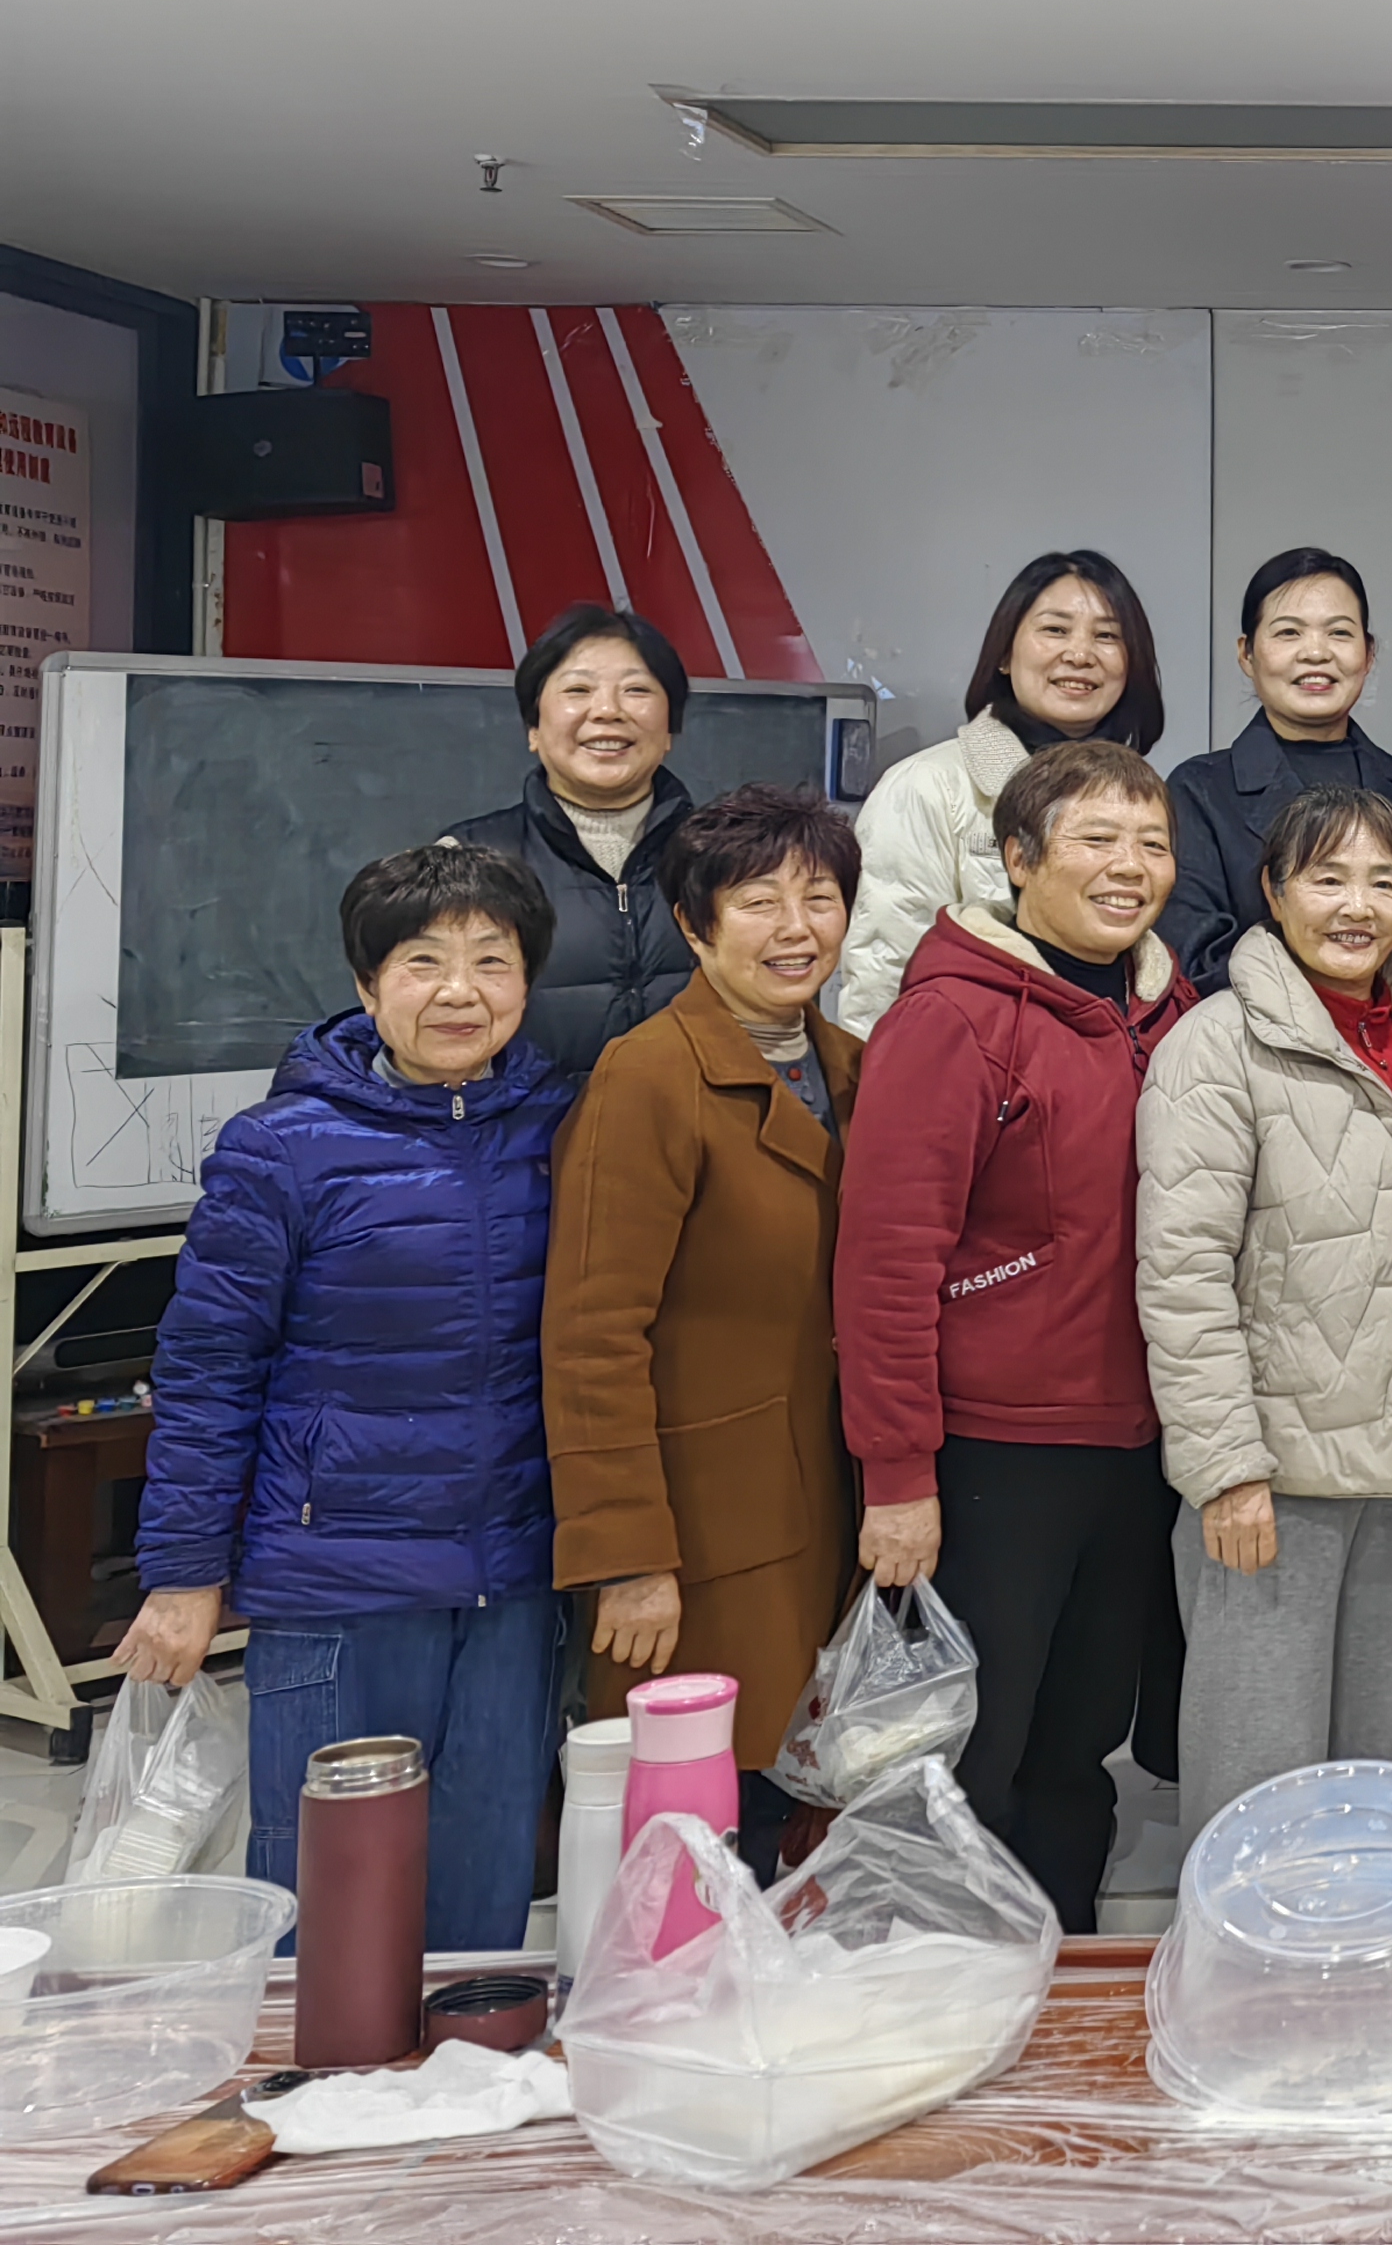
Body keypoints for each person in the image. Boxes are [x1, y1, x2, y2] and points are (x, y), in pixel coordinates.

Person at [121, 841, 573, 1950]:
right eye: (423, 963)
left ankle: (469, 2065)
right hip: (337, 1584)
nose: (459, 991)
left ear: (527, 981)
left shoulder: (567, 1130)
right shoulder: (281, 1150)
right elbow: (208, 1369)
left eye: (491, 961)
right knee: (331, 1919)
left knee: (482, 1905)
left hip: (515, 1583)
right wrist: (184, 1573)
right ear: (369, 987)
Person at [833, 740, 1195, 1931]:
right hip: (992, 1454)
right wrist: (897, 1475)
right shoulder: (951, 1018)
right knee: (964, 1760)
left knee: (1077, 1754)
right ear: (1018, 859)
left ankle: (1061, 1982)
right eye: (1096, 840)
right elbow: (886, 1262)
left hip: (1135, 1451)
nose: (1128, 867)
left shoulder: (1174, 1015)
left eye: (1150, 843)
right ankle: (944, 1993)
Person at [542, 784, 869, 1866]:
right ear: (694, 924)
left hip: (829, 1512)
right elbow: (592, 1336)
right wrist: (627, 1555)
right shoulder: (647, 1077)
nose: (795, 929)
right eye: (759, 902)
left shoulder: (854, 1065)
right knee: (698, 1842)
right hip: (702, 1537)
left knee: (806, 1823)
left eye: (819, 898)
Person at [1137, 783, 1392, 1832]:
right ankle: (1235, 1954)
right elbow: (1181, 1274)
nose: (1357, 906)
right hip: (1271, 1482)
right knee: (1257, 1787)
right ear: (1273, 892)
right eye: (1327, 879)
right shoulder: (1216, 1046)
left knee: (1383, 1781)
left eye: (1383, 881)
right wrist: (1226, 1469)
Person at [840, 548, 1167, 1032]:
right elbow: (883, 979)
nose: (1080, 655)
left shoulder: (1146, 799)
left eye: (1106, 636)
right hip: (972, 1069)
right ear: (1004, 655)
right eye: (1055, 630)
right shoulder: (925, 786)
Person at [444, 600, 701, 1076]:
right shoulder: (466, 863)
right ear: (533, 729)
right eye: (578, 690)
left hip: (694, 1123)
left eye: (636, 690)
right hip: (530, 1124)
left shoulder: (726, 855)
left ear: (670, 729)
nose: (607, 711)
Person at [1159, 547, 1392, 996]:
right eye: (1288, 632)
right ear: (1247, 654)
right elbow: (1198, 960)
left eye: (1339, 632)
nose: (1316, 652)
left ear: (1368, 653)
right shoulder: (1198, 791)